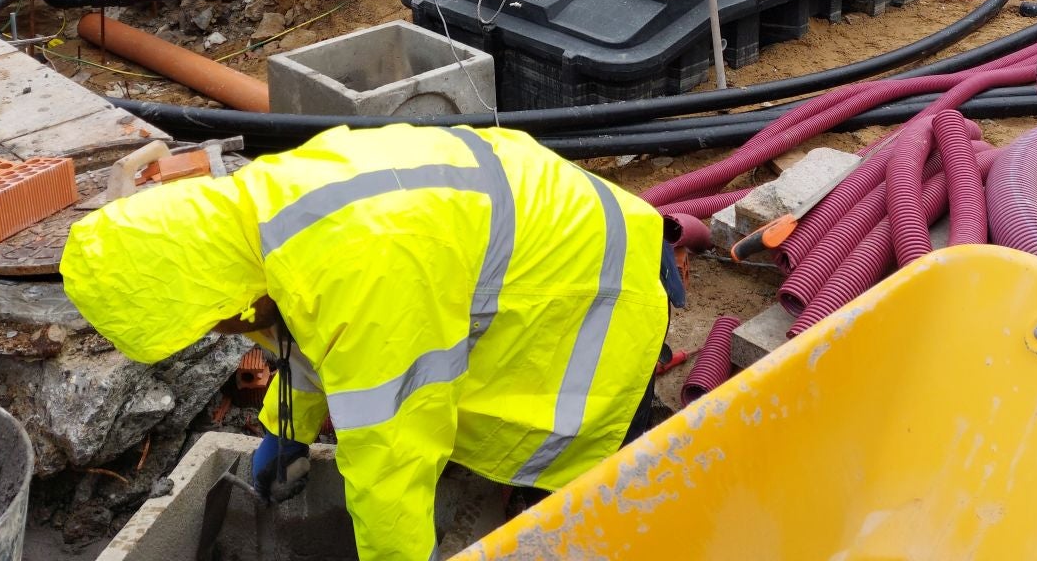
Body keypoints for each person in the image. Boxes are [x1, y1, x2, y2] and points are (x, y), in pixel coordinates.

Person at [61, 124, 670, 561]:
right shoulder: (262, 213)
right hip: (531, 240)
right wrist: (286, 429)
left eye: (218, 323)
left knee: (564, 486)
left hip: (597, 288)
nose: (229, 334)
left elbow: (392, 453)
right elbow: (309, 329)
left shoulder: (365, 275)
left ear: (219, 292)